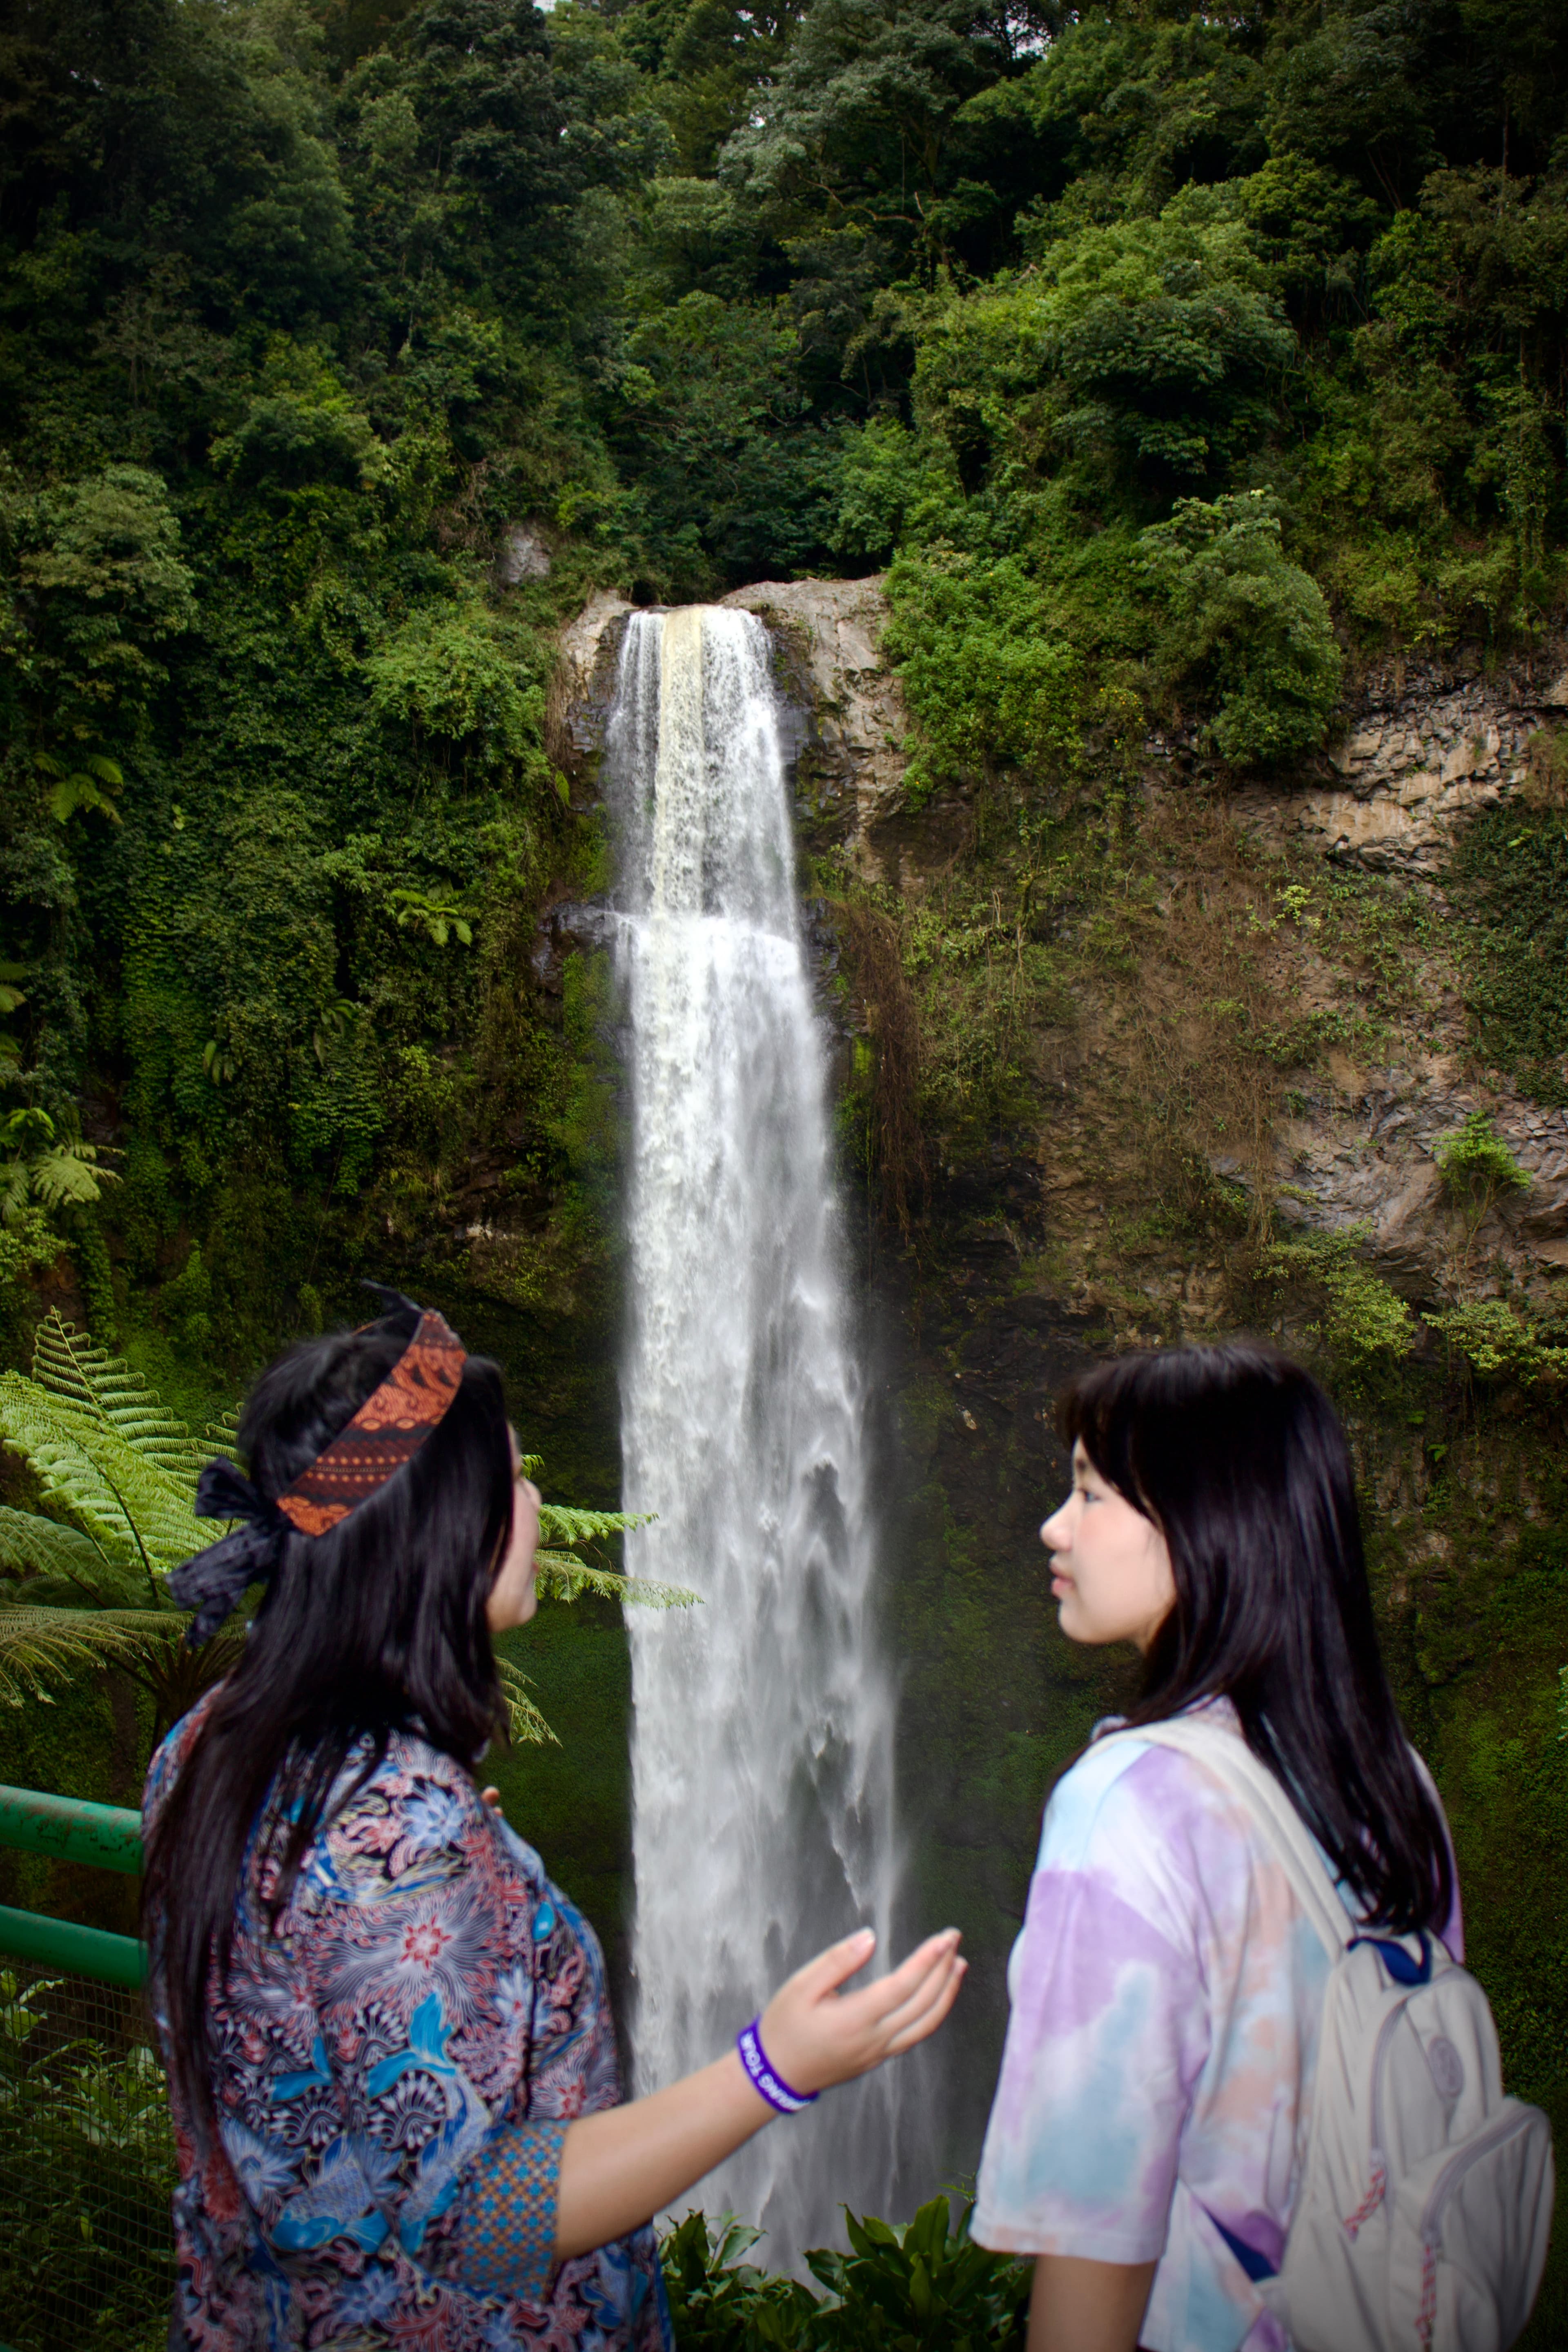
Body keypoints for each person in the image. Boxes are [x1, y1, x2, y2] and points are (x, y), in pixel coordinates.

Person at [143, 1296, 965, 2350]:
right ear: (453, 1526)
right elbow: (481, 2224)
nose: (535, 1503)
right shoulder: (393, 1825)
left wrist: (472, 1871)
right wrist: (776, 2066)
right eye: (516, 1479)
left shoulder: (212, 1741)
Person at [971, 1341, 1461, 2352]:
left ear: (1204, 1524)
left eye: (1091, 1493)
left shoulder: (1128, 1804)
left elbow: (1098, 2242)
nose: (1053, 1525)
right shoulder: (1397, 1783)